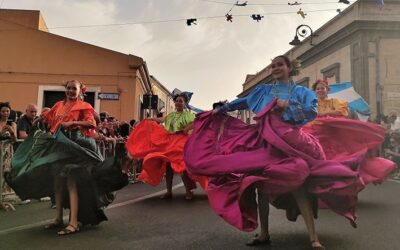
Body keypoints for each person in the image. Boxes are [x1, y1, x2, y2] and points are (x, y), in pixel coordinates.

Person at [184, 55, 394, 250]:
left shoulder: (302, 92)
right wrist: (220, 110)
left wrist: (289, 106)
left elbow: (311, 111)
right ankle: (264, 233)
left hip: (290, 142)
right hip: (265, 140)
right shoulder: (264, 90)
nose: (275, 68)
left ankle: (314, 238)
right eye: (273, 65)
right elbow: (244, 102)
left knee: (299, 185)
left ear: (289, 68)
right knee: (259, 186)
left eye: (279, 65)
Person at [5, 80, 128, 235]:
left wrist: (72, 123)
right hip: (61, 144)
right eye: (68, 88)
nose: (70, 91)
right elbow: (48, 116)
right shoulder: (59, 105)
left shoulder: (84, 106)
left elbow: (90, 123)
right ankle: (58, 219)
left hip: (77, 146)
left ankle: (74, 222)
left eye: (73, 89)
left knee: (72, 180)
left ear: (79, 91)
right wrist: (39, 119)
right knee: (57, 179)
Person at [126, 92, 207, 200]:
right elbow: (163, 120)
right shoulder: (171, 115)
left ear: (185, 103)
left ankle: (188, 190)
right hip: (169, 141)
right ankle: (169, 191)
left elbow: (197, 122)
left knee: (181, 167)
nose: (178, 103)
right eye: (177, 101)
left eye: (181, 101)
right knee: (168, 167)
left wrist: (186, 129)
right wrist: (151, 120)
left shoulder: (189, 115)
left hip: (181, 142)